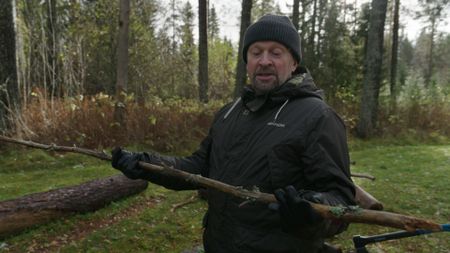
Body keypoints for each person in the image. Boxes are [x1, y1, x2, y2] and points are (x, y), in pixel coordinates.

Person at [112, 14, 355, 253]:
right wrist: (146, 164)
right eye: (256, 52)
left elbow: (341, 201)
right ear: (247, 61)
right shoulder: (230, 113)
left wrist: (311, 214)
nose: (264, 61)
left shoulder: (317, 117)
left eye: (276, 52)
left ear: (294, 63)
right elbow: (198, 167)